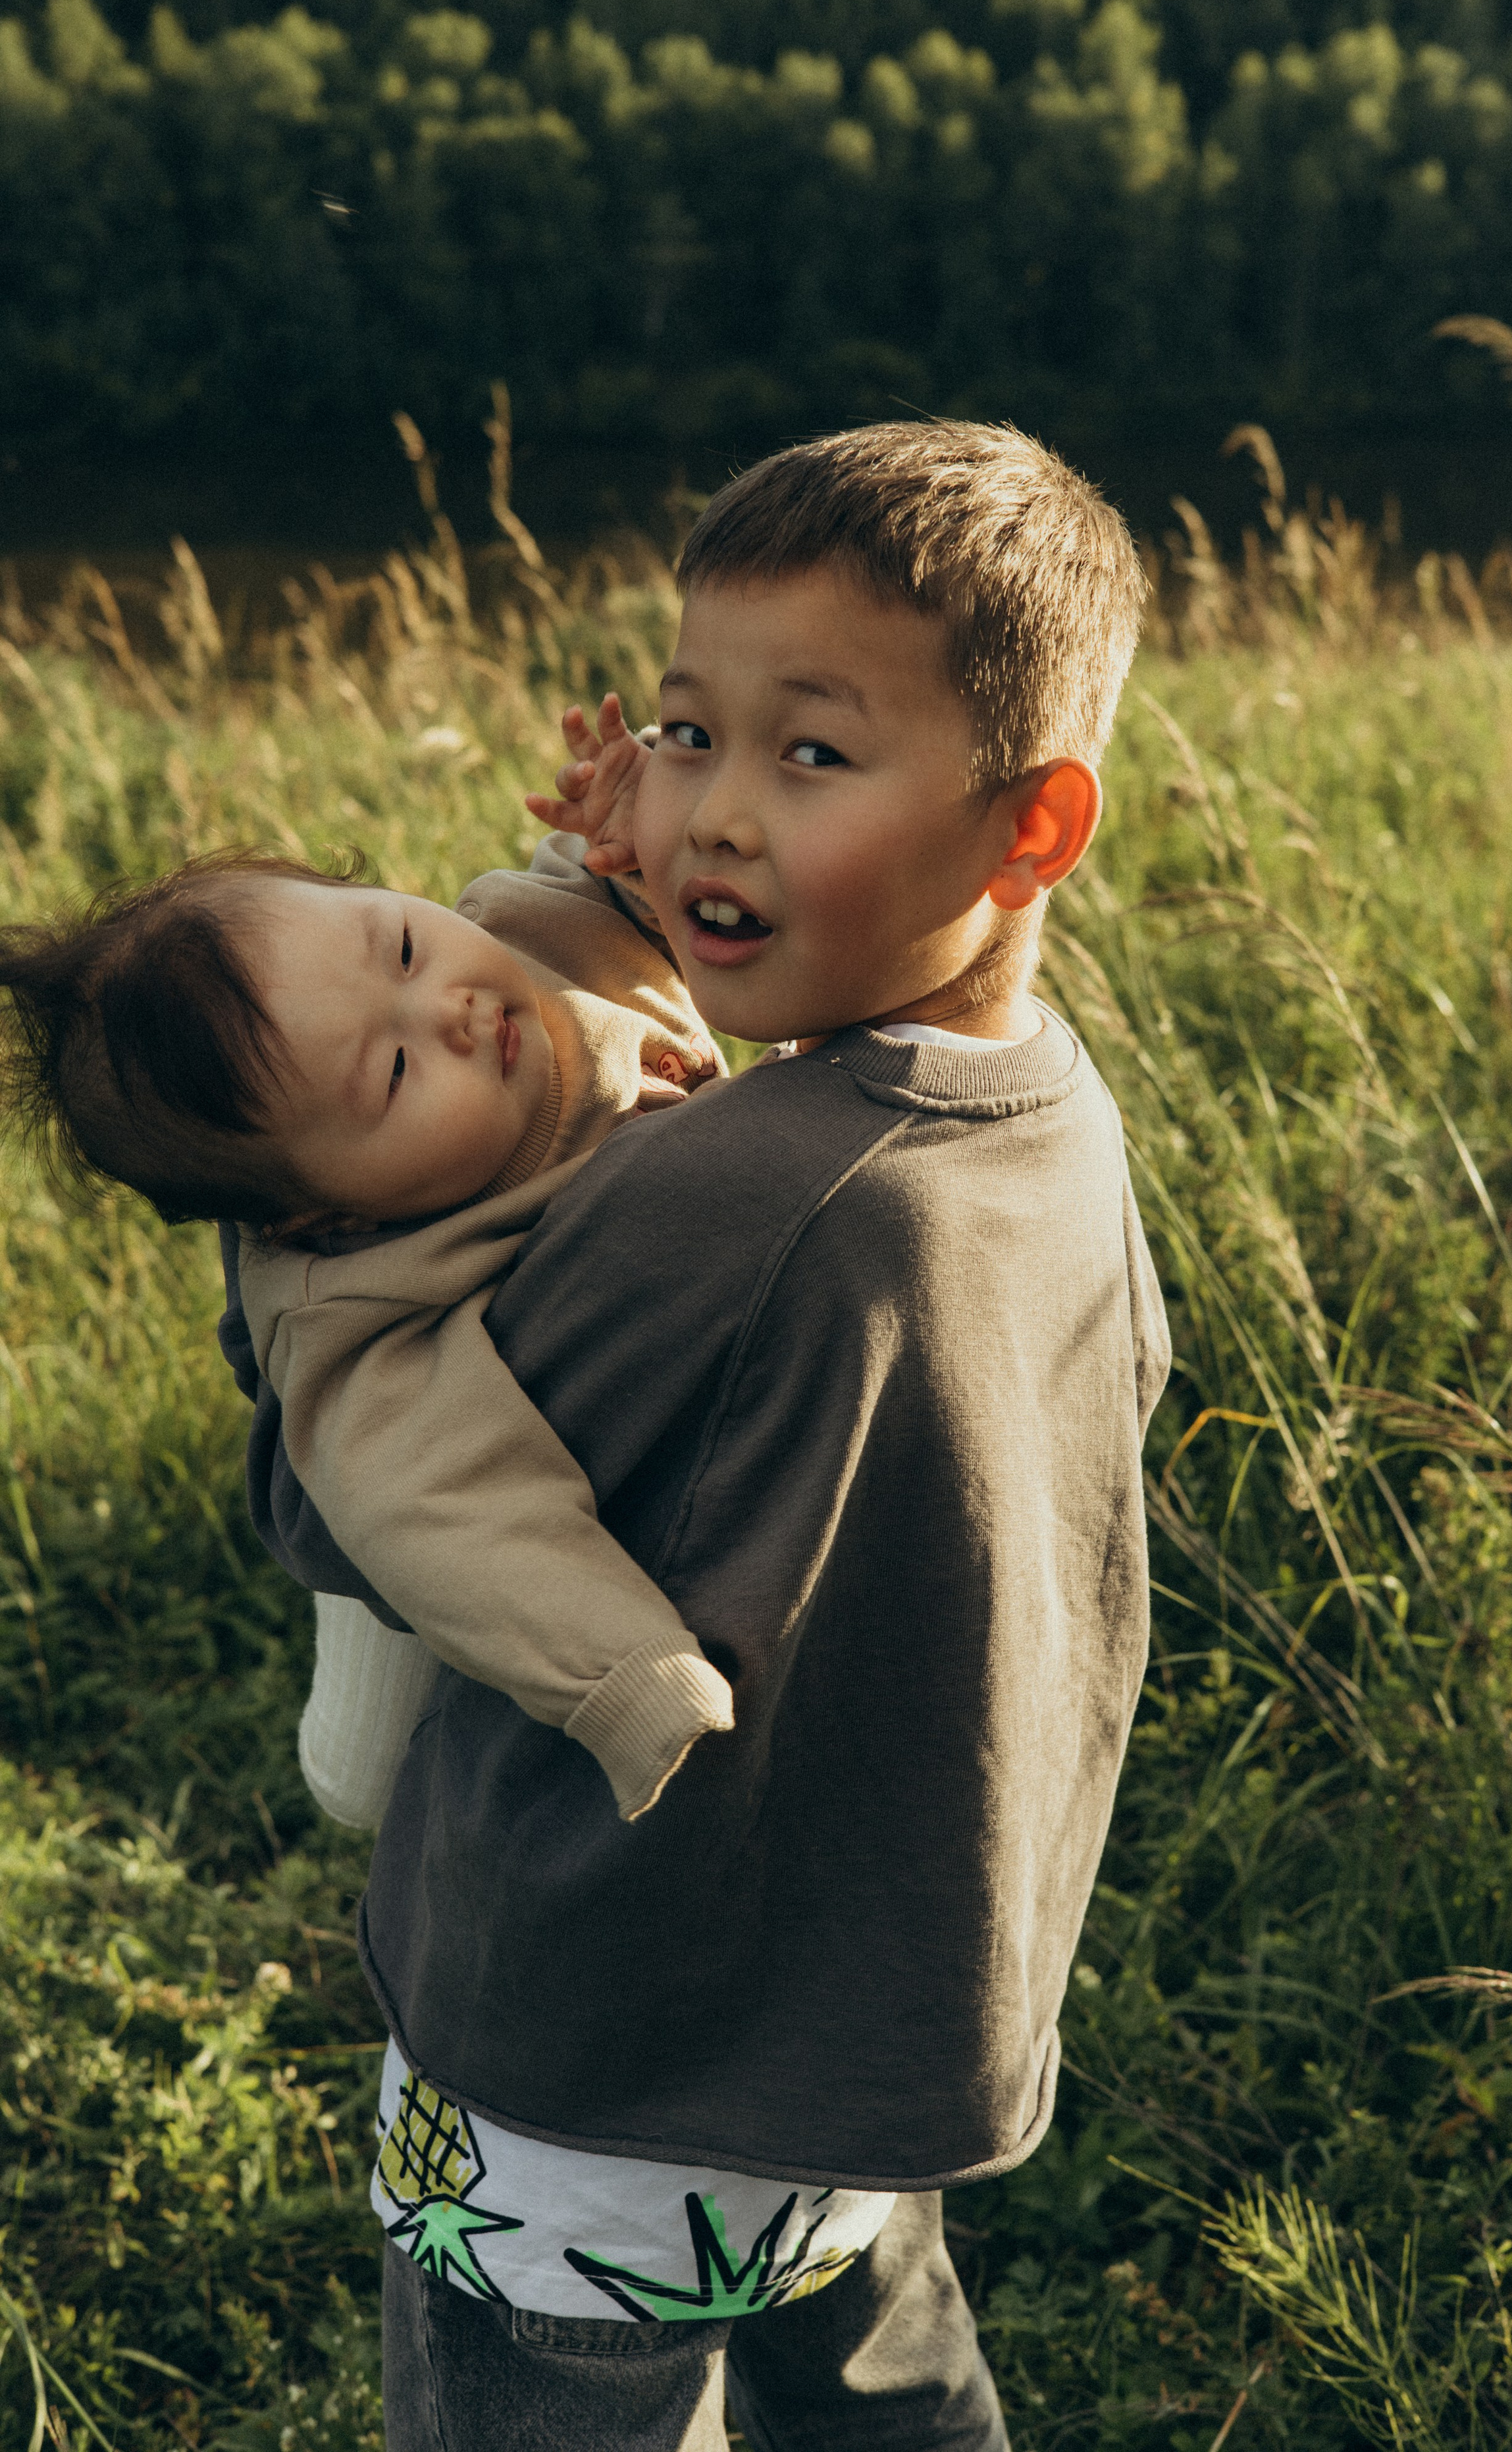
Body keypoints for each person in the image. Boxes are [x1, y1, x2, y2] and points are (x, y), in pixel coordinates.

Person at [222, 419, 1172, 2451]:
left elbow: (350, 1509)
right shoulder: (1056, 1121)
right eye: (684, 730)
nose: (711, 818)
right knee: (875, 2395)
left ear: (1033, 825)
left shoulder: (733, 1197)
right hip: (861, 2034)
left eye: (811, 756)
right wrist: (606, 916)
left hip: (590, 2083)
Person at [0, 807, 731, 1829]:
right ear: (321, 1215)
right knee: (365, 1781)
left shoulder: (545, 930)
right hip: (394, 1475)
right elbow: (462, 1524)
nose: (452, 1008)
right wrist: (631, 1675)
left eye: (401, 945)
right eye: (392, 1072)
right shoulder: (353, 1318)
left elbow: (652, 863)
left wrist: (649, 791)